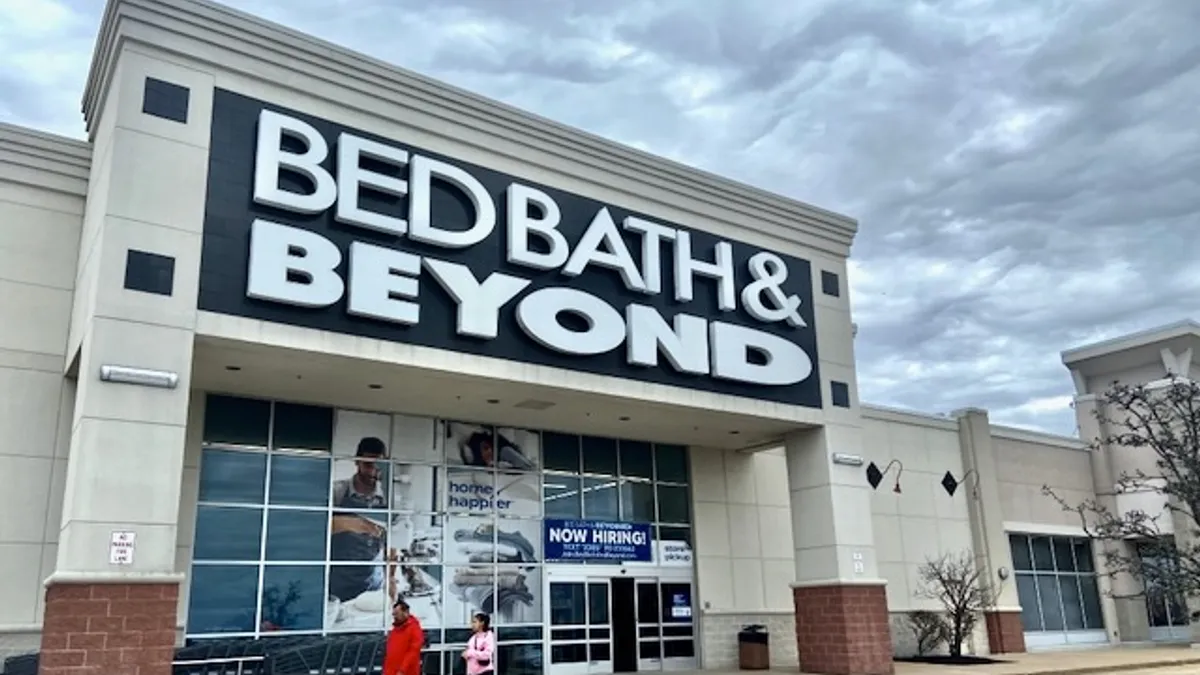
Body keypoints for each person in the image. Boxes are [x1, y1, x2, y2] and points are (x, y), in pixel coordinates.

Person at [333, 436, 388, 509]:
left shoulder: (388, 495)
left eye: (379, 464)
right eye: (368, 464)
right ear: (356, 461)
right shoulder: (336, 491)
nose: (372, 471)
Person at [384, 598, 424, 675]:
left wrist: (402, 670)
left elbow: (413, 652)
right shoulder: (395, 630)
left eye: (397, 613)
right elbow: (389, 654)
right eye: (393, 614)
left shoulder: (414, 629)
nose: (394, 616)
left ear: (405, 612)